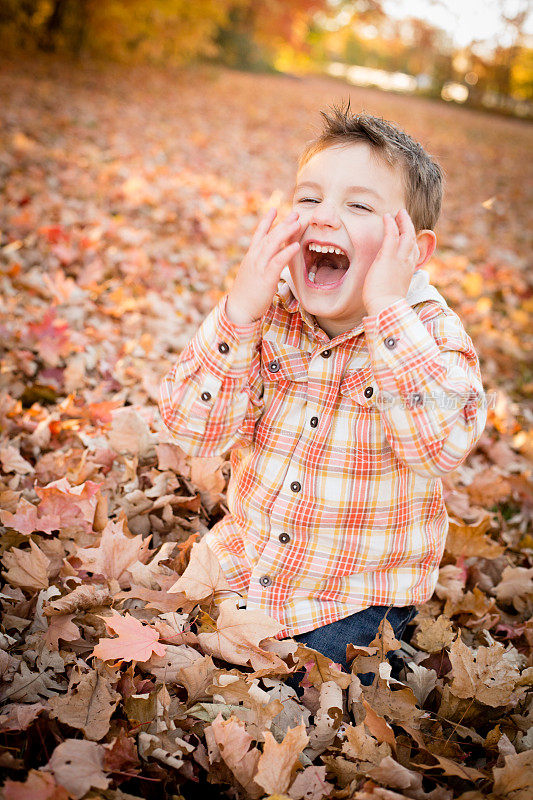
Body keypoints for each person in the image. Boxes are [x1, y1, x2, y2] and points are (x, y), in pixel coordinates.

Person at [158, 101, 487, 688]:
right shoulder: (271, 314)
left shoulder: (432, 335)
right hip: (247, 554)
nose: (323, 217)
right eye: (308, 198)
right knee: (169, 636)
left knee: (304, 682)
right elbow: (192, 428)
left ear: (414, 251)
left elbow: (441, 447)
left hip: (351, 591)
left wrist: (387, 308)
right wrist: (239, 311)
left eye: (358, 205)